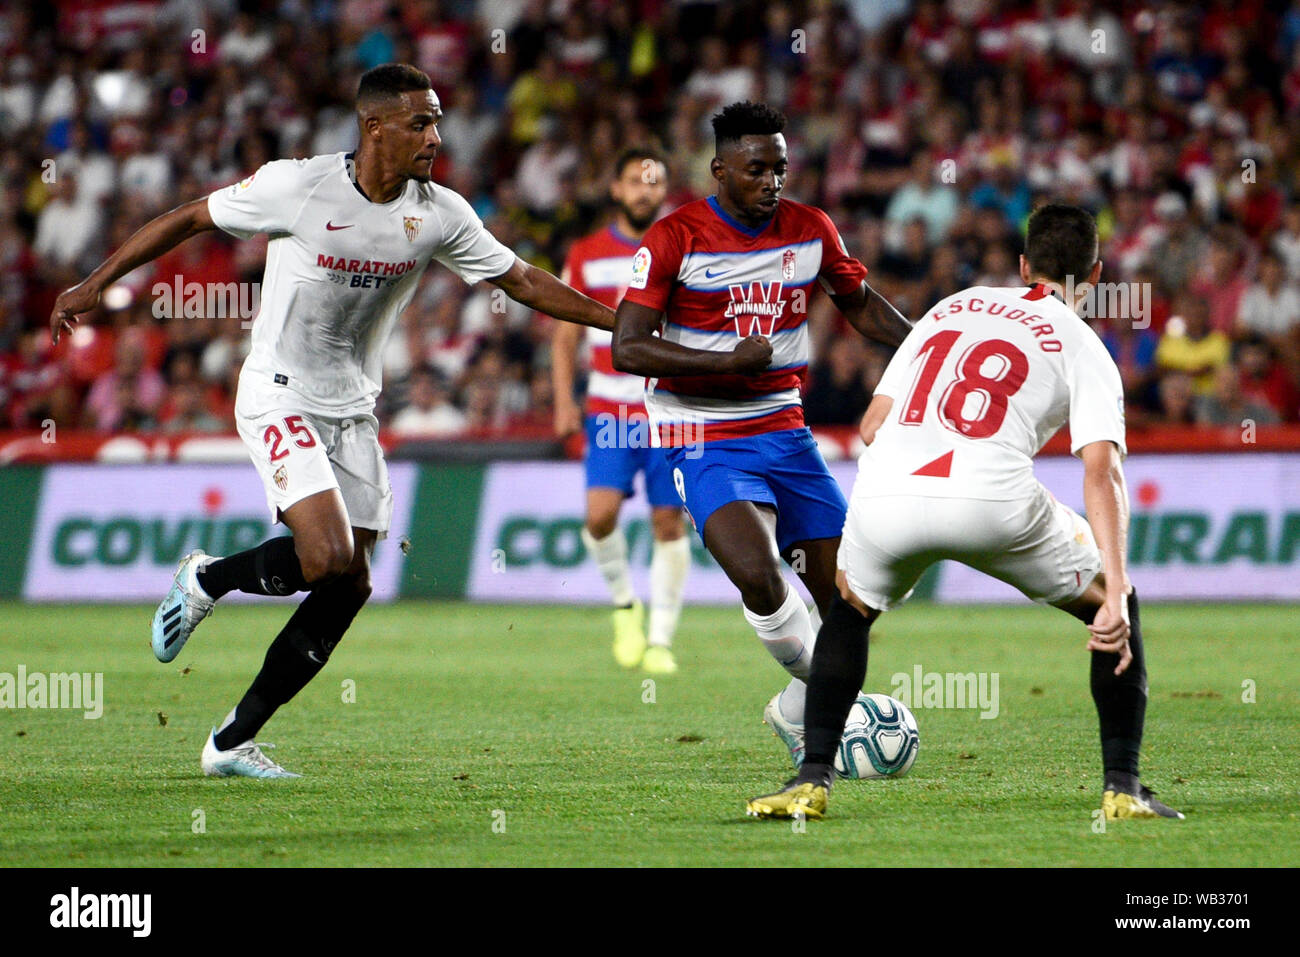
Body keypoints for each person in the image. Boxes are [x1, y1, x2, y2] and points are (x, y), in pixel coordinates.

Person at [49, 64, 615, 779]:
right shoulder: (299, 185)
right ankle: (209, 579)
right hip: (279, 391)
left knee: (349, 582)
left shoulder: (439, 213)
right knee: (322, 555)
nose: (436, 136)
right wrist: (99, 282)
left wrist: (615, 322)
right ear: (374, 125)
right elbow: (193, 215)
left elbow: (523, 280)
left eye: (438, 120)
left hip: (354, 408)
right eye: (420, 122)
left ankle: (231, 741)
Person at [745, 204, 1183, 822]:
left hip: (889, 490)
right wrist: (1114, 591)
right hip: (991, 499)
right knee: (1117, 600)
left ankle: (811, 778)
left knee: (850, 608)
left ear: (1025, 264)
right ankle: (1122, 786)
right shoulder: (1084, 344)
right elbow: (1102, 469)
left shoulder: (953, 306)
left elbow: (872, 425)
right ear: (1096, 275)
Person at [612, 102, 911, 762]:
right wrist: (724, 361)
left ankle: (799, 707)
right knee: (758, 573)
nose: (772, 181)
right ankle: (831, 707)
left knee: (850, 603)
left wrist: (924, 348)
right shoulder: (673, 237)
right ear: (719, 170)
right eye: (756, 169)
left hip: (784, 428)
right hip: (701, 432)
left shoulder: (810, 229)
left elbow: (857, 303)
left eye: (780, 167)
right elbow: (627, 348)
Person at [552, 147, 689, 674]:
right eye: (634, 180)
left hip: (669, 409)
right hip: (610, 409)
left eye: (653, 182)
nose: (644, 191)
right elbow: (563, 335)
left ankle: (660, 640)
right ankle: (623, 607)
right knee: (600, 517)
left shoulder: (681, 250)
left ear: (664, 190)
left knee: (667, 523)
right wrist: (564, 398)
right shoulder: (586, 254)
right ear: (616, 189)